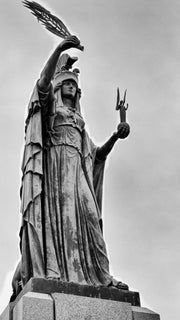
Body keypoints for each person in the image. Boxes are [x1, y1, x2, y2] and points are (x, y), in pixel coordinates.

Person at [11, 35, 130, 300]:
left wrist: (116, 135)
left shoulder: (79, 122)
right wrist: (60, 49)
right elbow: (42, 86)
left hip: (79, 176)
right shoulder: (52, 111)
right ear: (59, 86)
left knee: (91, 220)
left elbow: (96, 155)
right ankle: (56, 273)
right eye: (67, 84)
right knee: (59, 225)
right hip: (55, 174)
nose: (72, 89)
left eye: (75, 87)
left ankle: (102, 276)